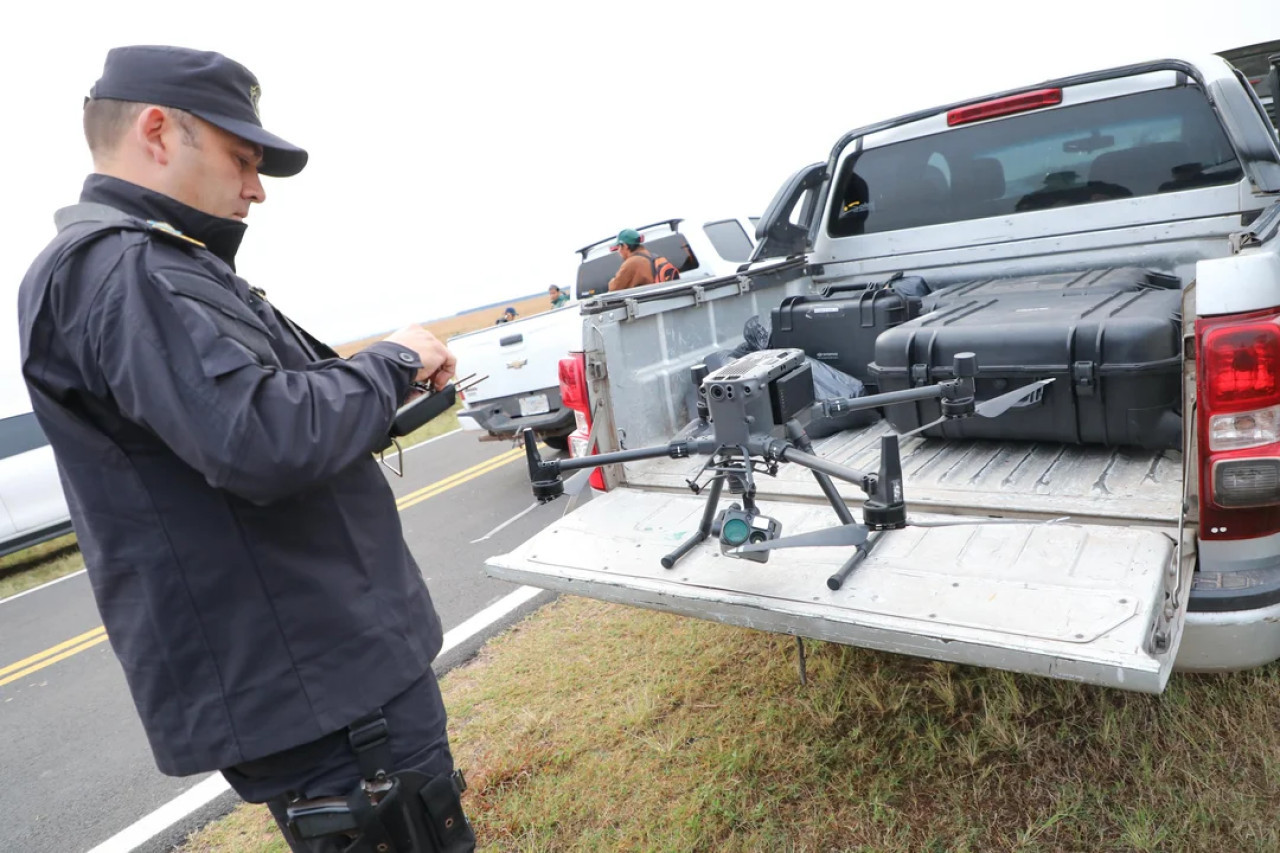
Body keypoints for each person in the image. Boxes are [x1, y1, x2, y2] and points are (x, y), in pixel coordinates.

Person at [17, 46, 474, 853]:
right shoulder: (126, 271)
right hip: (326, 689)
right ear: (158, 131)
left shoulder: (148, 265)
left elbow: (248, 417)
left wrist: (382, 394)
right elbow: (258, 437)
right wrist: (392, 359)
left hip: (324, 673)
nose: (256, 187)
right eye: (241, 157)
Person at [605, 228, 679, 292]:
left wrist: (611, 282)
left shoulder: (632, 262)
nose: (618, 251)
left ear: (625, 246)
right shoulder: (652, 256)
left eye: (619, 247)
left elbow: (614, 288)